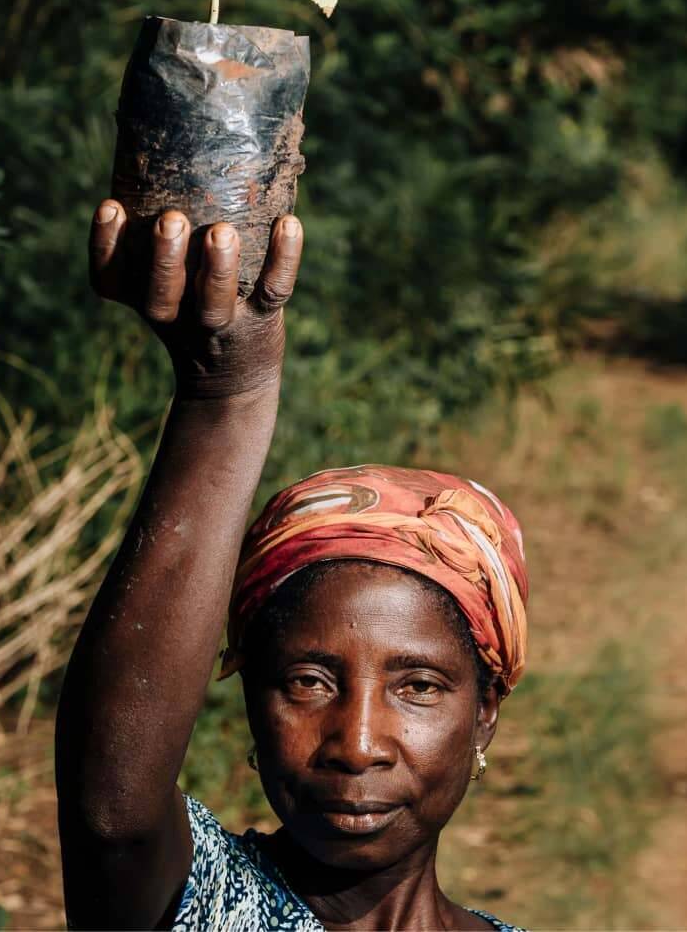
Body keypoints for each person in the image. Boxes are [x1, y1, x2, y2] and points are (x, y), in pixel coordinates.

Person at [56, 200, 530, 931]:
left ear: (484, 715)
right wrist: (225, 398)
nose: (358, 744)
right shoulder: (213, 908)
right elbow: (113, 816)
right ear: (249, 698)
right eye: (308, 682)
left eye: (419, 686)